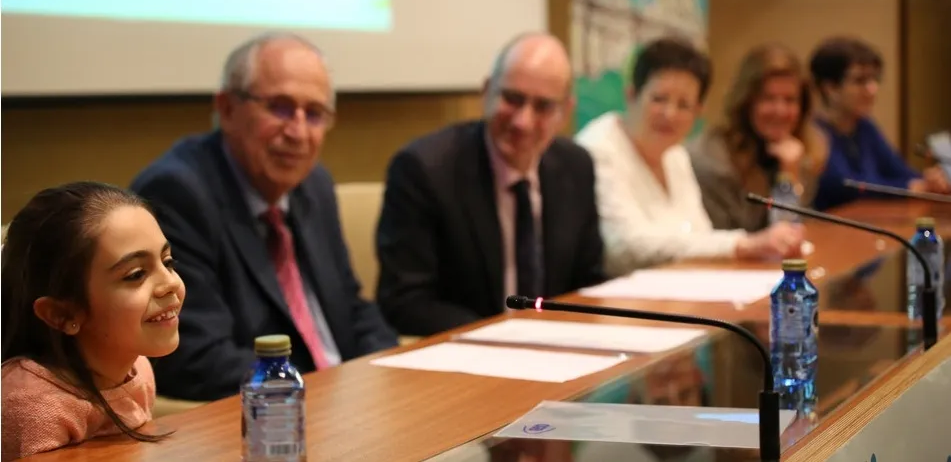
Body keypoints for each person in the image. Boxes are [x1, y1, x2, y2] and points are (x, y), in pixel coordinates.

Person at [131, 32, 398, 401]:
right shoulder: (178, 193)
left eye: (315, 114)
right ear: (226, 109)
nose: (299, 132)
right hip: (272, 413)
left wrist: (393, 371)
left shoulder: (313, 183)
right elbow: (195, 356)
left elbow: (351, 308)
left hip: (344, 399)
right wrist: (321, 393)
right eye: (280, 107)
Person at [375, 32, 605, 336]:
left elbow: (588, 280)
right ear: (486, 93)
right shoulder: (425, 170)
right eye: (512, 99)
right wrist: (504, 336)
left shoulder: (577, 166)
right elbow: (405, 301)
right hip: (468, 355)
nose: (523, 121)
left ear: (565, 112)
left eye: (543, 107)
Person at [575, 38, 803, 277]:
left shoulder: (675, 153)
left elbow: (699, 233)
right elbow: (625, 247)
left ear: (698, 111)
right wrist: (741, 244)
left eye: (684, 105)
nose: (670, 114)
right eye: (659, 99)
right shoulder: (597, 149)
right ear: (632, 95)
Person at [1, 182, 185, 459]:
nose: (169, 283)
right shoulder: (30, 407)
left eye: (167, 262)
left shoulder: (138, 368)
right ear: (62, 314)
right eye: (136, 274)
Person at [689, 43, 828, 231]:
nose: (780, 111)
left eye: (790, 100)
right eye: (768, 98)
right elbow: (773, 238)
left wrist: (790, 173)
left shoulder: (801, 151)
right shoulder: (713, 161)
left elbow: (797, 233)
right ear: (746, 102)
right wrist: (787, 183)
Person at [810, 36, 950, 211]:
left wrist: (928, 181)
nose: (872, 89)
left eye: (874, 79)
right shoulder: (813, 132)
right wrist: (910, 188)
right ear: (830, 88)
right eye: (860, 81)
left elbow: (901, 172)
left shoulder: (864, 127)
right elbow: (846, 185)